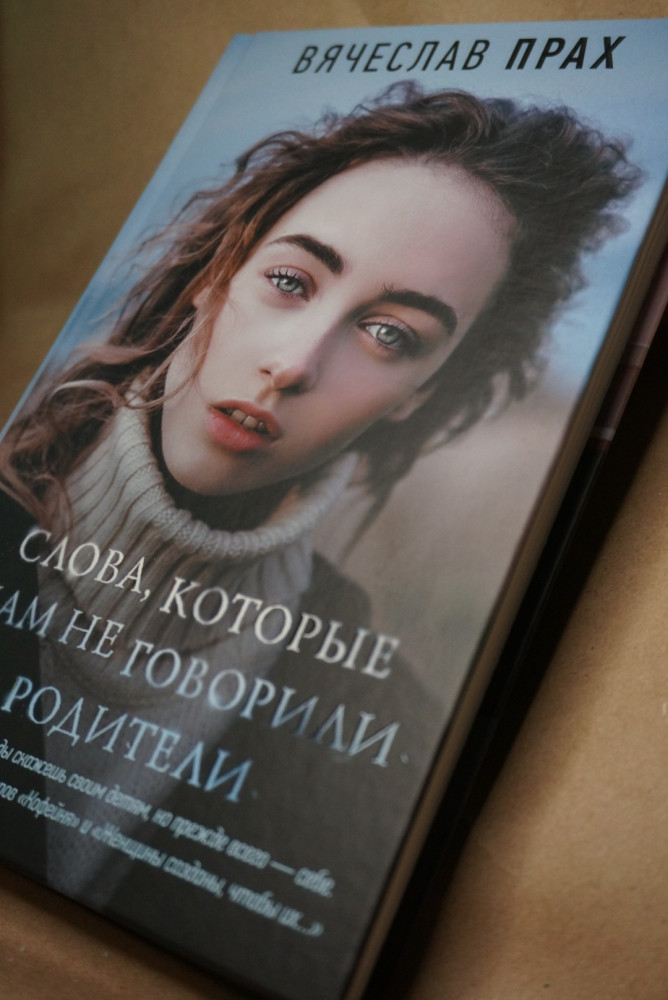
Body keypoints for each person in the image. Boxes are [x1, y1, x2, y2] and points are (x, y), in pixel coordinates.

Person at [0, 82, 639, 988]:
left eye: (389, 335)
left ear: (419, 393)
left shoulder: (388, 731)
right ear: (219, 274)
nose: (292, 364)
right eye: (291, 281)